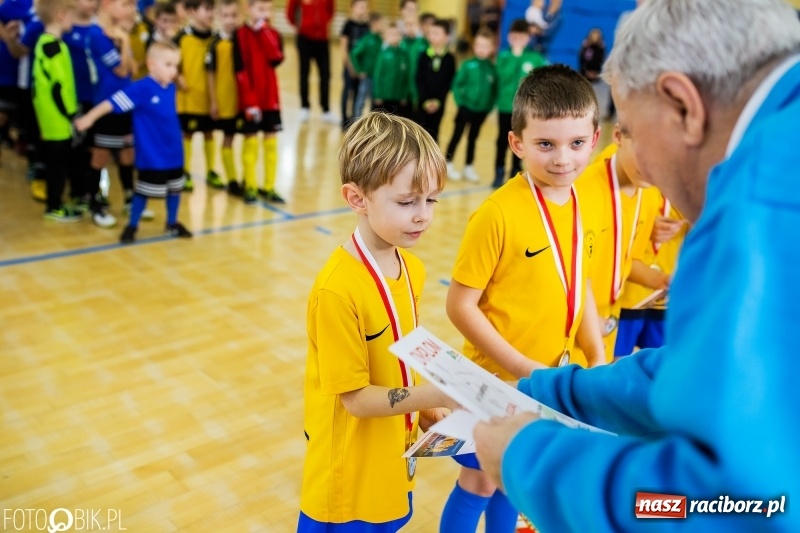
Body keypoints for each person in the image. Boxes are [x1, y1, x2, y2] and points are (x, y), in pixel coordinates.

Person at [472, 1, 800, 531]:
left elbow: (725, 506)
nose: (639, 161)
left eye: (635, 134)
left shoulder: (757, 208)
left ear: (683, 105)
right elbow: (705, 374)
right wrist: (562, 390)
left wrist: (531, 459)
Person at [440, 64, 606, 533]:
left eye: (575, 144)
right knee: (479, 481)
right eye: (545, 144)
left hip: (551, 375)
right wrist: (521, 367)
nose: (562, 159)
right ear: (517, 143)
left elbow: (581, 282)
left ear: (594, 139)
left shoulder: (584, 201)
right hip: (497, 378)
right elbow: (459, 305)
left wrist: (594, 352)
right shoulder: (496, 214)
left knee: (515, 480)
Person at [297, 112, 450, 532]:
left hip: (390, 455)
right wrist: (435, 392)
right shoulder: (336, 290)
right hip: (347, 474)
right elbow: (356, 400)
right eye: (407, 202)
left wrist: (424, 408)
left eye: (431, 199)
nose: (424, 215)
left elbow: (400, 352)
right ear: (356, 198)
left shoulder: (411, 268)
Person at [75, 41, 192, 243]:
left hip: (174, 152)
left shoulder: (170, 87)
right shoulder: (141, 88)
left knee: (175, 188)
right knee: (143, 191)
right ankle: (132, 225)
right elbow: (111, 103)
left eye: (176, 65)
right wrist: (89, 118)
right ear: (151, 64)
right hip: (153, 155)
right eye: (169, 65)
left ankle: (171, 223)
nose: (174, 71)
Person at [572, 126, 659, 363]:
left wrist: (663, 281)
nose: (650, 165)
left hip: (606, 327)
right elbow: (574, 275)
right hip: (577, 329)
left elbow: (627, 262)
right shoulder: (584, 190)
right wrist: (596, 352)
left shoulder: (648, 194)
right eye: (643, 151)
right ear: (618, 136)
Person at [614, 188, 686, 357]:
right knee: (614, 363)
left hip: (668, 288)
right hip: (626, 293)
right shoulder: (631, 176)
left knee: (660, 364)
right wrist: (644, 226)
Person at [85, 0, 136, 227]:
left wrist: (125, 39)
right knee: (101, 155)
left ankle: (129, 197)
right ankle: (95, 202)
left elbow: (133, 68)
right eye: (126, 4)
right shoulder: (97, 35)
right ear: (106, 4)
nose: (131, 9)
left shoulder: (118, 32)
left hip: (125, 103)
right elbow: (121, 69)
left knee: (127, 152)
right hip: (105, 104)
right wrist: (124, 40)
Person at [32, 0, 81, 221]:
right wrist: (72, 113)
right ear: (61, 16)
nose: (74, 21)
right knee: (58, 166)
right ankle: (54, 206)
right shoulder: (55, 47)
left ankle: (57, 202)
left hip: (49, 117)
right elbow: (58, 87)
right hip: (58, 118)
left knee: (56, 162)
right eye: (72, 16)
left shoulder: (44, 42)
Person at [232, 0, 285, 204]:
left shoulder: (273, 33)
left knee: (271, 142)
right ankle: (251, 186)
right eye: (260, 9)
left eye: (268, 9)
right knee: (251, 141)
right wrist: (249, 101)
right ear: (249, 8)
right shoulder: (240, 34)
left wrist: (263, 31)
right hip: (250, 100)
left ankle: (269, 187)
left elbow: (276, 58)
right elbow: (240, 70)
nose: (265, 13)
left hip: (270, 99)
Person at [493, 18, 547, 188]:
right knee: (502, 140)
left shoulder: (535, 58)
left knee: (521, 141)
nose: (518, 39)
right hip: (505, 106)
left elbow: (540, 82)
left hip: (524, 110)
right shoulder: (504, 56)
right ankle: (499, 171)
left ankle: (515, 172)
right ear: (509, 37)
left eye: (522, 36)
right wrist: (514, 57)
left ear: (528, 37)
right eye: (515, 36)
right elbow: (502, 78)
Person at [174, 0, 217, 191]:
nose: (211, 14)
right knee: (188, 134)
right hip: (188, 98)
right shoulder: (182, 37)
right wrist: (178, 75)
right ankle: (185, 171)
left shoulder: (216, 39)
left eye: (212, 9)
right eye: (206, 9)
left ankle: (211, 170)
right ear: (192, 11)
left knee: (209, 133)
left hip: (209, 98)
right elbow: (170, 61)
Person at [444, 28, 496, 183]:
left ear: (491, 48)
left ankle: (468, 166)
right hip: (465, 108)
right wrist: (461, 103)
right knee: (457, 135)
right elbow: (457, 85)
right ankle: (448, 163)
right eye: (479, 45)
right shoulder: (467, 65)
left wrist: (488, 106)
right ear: (474, 46)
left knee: (473, 138)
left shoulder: (492, 69)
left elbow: (493, 91)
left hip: (481, 111)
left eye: (485, 46)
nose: (482, 49)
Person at [205, 0, 241, 194]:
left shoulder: (242, 40)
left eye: (233, 16)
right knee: (225, 138)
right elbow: (210, 75)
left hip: (240, 102)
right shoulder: (215, 44)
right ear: (219, 17)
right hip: (222, 101)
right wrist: (213, 101)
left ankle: (236, 178)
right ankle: (231, 179)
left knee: (233, 138)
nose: (230, 20)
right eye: (225, 16)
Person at [287, 0, 334, 124]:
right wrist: (301, 25)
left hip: (323, 40)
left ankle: (326, 109)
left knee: (325, 74)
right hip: (304, 39)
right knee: (304, 73)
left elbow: (330, 11)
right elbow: (290, 13)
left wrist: (322, 23)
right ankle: (304, 107)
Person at [414, 17, 455, 142]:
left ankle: (432, 160)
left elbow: (449, 82)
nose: (432, 36)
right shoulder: (423, 55)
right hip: (423, 102)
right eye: (431, 33)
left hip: (439, 103)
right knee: (419, 132)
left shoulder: (450, 58)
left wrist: (438, 100)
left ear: (446, 37)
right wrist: (426, 100)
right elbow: (419, 78)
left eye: (437, 33)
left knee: (434, 131)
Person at [339, 0, 368, 129]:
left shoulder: (367, 26)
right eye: (360, 6)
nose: (363, 9)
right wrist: (349, 66)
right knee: (347, 92)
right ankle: (344, 119)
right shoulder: (348, 25)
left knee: (358, 93)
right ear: (353, 7)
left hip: (362, 68)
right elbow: (344, 47)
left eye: (365, 6)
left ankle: (354, 118)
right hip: (350, 66)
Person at [349, 12, 384, 120]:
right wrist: (359, 70)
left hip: (378, 78)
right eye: (381, 23)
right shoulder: (366, 39)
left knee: (375, 101)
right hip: (367, 77)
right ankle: (356, 120)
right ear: (374, 23)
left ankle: (372, 122)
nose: (383, 25)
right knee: (361, 100)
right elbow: (354, 53)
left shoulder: (381, 39)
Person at [370, 23, 409, 117]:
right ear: (385, 36)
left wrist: (404, 95)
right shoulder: (382, 55)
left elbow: (406, 77)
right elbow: (377, 75)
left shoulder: (404, 54)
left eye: (396, 34)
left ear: (401, 36)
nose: (394, 37)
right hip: (384, 96)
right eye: (391, 34)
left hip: (398, 97)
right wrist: (378, 94)